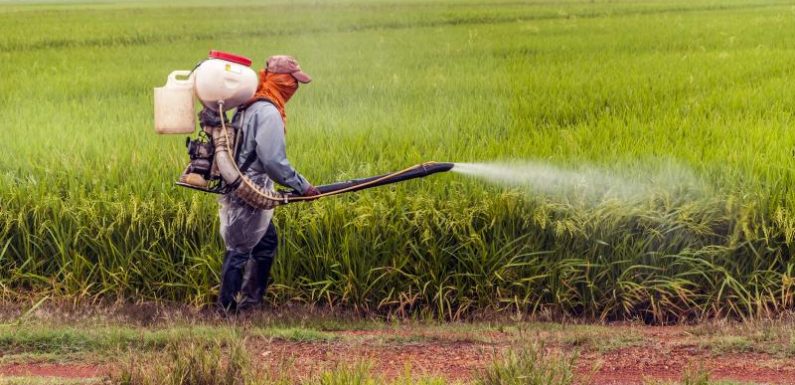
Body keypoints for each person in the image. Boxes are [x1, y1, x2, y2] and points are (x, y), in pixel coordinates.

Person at [217, 55, 320, 312]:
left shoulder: (249, 105)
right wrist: (302, 186)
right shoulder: (268, 111)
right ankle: (225, 311)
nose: (295, 88)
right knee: (240, 248)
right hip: (248, 190)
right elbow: (273, 161)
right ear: (283, 81)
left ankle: (251, 305)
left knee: (265, 243)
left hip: (241, 184)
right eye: (293, 82)